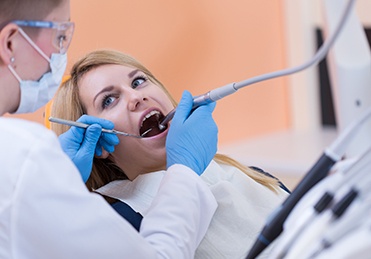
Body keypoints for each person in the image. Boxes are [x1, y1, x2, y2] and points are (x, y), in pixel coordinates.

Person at [0, 1, 220, 258]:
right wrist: (184, 170)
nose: (135, 97)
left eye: (138, 81)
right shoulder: (23, 156)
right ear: (11, 43)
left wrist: (56, 178)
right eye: (60, 36)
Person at [50, 49, 291, 258]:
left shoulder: (244, 173)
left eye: (138, 82)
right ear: (96, 142)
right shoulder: (119, 223)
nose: (136, 97)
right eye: (109, 100)